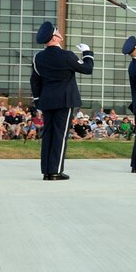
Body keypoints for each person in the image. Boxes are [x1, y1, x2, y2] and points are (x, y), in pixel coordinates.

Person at [30, 21, 94, 180]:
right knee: (60, 135)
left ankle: (46, 170)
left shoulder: (38, 57)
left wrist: (38, 101)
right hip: (64, 101)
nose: (60, 33)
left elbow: (35, 81)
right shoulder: (67, 56)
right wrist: (87, 53)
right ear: (55, 37)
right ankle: (55, 171)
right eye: (57, 31)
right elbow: (87, 69)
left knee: (49, 135)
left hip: (46, 101)